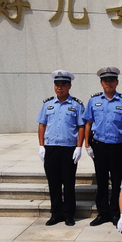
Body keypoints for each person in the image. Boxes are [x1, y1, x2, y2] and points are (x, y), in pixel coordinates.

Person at [83, 67, 122, 227]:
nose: (109, 83)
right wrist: (86, 144)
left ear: (117, 82)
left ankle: (115, 212)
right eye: (105, 81)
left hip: (117, 146)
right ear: (101, 83)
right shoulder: (94, 100)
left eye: (112, 80)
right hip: (99, 145)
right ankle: (102, 213)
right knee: (102, 179)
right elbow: (88, 123)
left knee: (118, 180)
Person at [37, 70, 86, 227]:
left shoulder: (77, 105)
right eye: (57, 85)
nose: (59, 88)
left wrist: (79, 147)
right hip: (51, 148)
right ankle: (56, 213)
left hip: (68, 148)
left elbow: (81, 127)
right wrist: (41, 146)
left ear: (69, 86)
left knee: (68, 182)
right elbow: (42, 125)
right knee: (54, 182)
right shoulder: (47, 104)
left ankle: (68, 214)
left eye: (63, 85)